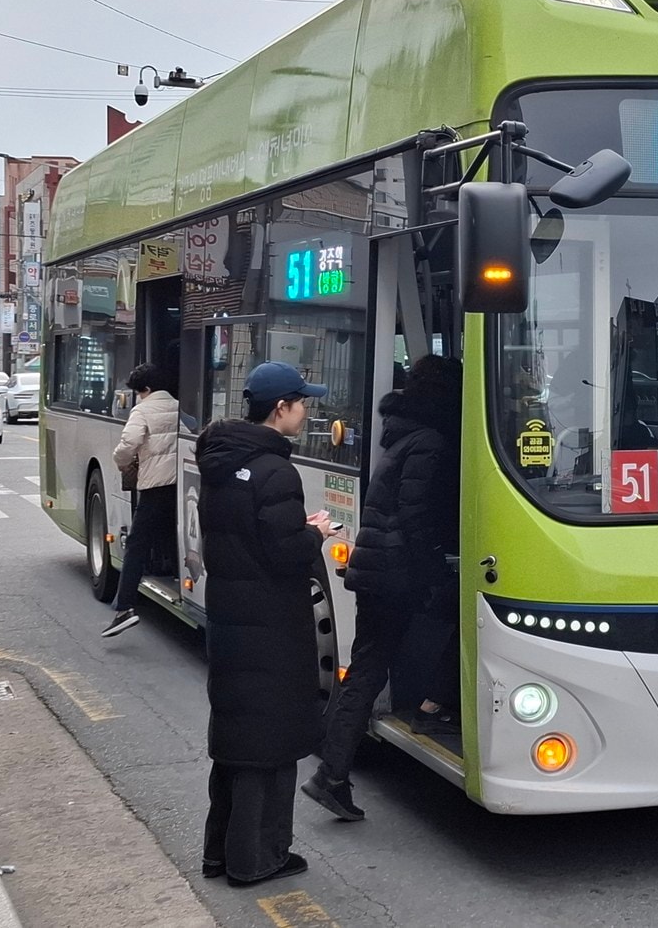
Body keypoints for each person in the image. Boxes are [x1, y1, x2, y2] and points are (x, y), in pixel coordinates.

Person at [302, 355, 462, 823]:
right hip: (395, 572)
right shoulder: (430, 442)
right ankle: (331, 774)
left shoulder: (402, 433)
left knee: (370, 666)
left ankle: (330, 769)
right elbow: (416, 517)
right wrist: (435, 569)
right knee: (373, 669)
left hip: (379, 569)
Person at [196, 361, 331, 887]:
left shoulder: (221, 461)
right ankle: (257, 859)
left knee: (235, 737)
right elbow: (283, 554)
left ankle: (219, 853)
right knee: (270, 743)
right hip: (271, 625)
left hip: (230, 617)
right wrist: (314, 532)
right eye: (302, 404)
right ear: (281, 408)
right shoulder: (277, 471)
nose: (306, 412)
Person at [101, 363, 179, 638]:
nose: (137, 396)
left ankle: (124, 609)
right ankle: (180, 580)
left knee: (136, 545)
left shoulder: (143, 410)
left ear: (145, 389)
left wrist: (121, 462)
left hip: (154, 485)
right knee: (172, 532)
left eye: (138, 391)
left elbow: (129, 444)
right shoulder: (179, 407)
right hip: (177, 484)